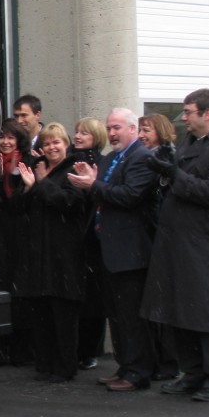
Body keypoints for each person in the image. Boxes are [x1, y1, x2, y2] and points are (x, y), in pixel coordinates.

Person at [143, 88, 209, 402]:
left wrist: (174, 174)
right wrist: (166, 175)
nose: (184, 118)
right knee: (182, 311)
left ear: (207, 113)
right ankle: (192, 373)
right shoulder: (191, 143)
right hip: (180, 242)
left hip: (206, 244)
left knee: (207, 314)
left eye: (189, 112)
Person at [68, 109, 158, 391]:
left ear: (133, 128)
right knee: (117, 315)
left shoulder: (142, 157)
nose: (112, 133)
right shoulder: (111, 157)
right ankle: (125, 366)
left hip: (130, 251)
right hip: (108, 248)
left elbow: (130, 196)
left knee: (131, 316)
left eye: (118, 127)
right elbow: (102, 189)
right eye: (109, 127)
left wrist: (93, 184)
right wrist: (90, 179)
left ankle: (138, 373)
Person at [16, 122, 88, 382]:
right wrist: (28, 186)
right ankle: (44, 364)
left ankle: (65, 366)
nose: (51, 147)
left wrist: (43, 182)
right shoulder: (38, 169)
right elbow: (22, 209)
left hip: (64, 255)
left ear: (66, 144)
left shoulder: (75, 170)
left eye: (56, 142)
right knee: (42, 313)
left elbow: (69, 202)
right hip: (39, 254)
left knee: (63, 314)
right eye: (46, 144)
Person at [137, 113, 180, 379]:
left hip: (162, 236)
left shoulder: (165, 158)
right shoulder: (149, 157)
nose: (142, 135)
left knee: (164, 307)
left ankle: (168, 363)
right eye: (140, 129)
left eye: (147, 129)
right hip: (153, 234)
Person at [0, 119, 32, 365]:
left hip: (20, 236)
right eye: (2, 137)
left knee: (20, 295)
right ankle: (1, 347)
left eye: (10, 138)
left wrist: (24, 188)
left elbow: (19, 203)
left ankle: (21, 349)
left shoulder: (26, 163)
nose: (5, 142)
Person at [70, 117, 108, 371]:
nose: (78, 136)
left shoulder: (103, 164)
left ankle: (90, 350)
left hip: (94, 240)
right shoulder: (67, 162)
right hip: (73, 238)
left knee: (94, 300)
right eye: (76, 132)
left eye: (85, 133)